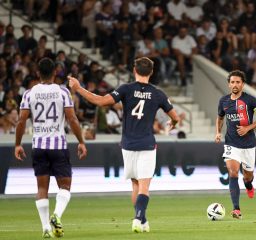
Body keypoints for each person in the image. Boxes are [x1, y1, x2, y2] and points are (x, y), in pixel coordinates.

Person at [68, 57, 180, 233]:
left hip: (128, 144)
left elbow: (101, 101)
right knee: (144, 186)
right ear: (151, 72)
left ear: (134, 70)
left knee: (135, 184)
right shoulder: (158, 93)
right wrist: (173, 123)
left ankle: (142, 220)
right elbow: (175, 117)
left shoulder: (126, 89)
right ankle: (138, 218)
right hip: (147, 144)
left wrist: (78, 88)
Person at [14, 58, 87, 238]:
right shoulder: (62, 92)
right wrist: (81, 141)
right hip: (58, 146)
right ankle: (57, 215)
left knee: (41, 189)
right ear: (55, 72)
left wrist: (17, 144)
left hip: (38, 146)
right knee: (65, 185)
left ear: (38, 73)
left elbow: (21, 120)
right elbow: (72, 119)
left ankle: (46, 228)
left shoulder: (29, 94)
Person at [215, 70, 256, 219]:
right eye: (232, 82)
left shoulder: (251, 100)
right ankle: (236, 209)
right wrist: (218, 132)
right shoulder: (223, 101)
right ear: (229, 84)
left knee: (247, 176)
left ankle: (249, 185)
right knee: (232, 172)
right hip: (231, 143)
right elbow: (219, 118)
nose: (235, 85)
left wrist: (247, 128)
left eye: (238, 82)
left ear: (243, 84)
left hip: (249, 145)